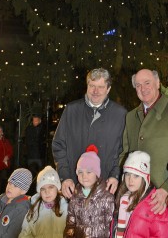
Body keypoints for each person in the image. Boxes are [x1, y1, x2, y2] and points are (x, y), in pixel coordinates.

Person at [121, 68, 168, 213]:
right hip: (137, 197)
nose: (143, 88)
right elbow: (125, 154)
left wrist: (167, 189)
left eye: (147, 83)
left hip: (166, 197)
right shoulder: (131, 117)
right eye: (138, 85)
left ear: (158, 83)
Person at [52, 68, 127, 199]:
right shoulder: (71, 110)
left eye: (100, 87)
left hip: (106, 189)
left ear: (108, 89)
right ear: (87, 86)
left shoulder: (120, 114)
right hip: (74, 189)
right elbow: (59, 145)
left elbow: (123, 150)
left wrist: (115, 176)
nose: (95, 91)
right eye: (92, 86)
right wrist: (65, 177)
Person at [111, 151, 168, 237]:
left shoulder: (155, 203)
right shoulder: (122, 199)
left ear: (145, 178)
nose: (130, 180)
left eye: (136, 176)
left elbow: (160, 234)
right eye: (128, 174)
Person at [63, 144, 115, 238]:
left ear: (96, 174)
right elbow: (71, 220)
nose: (84, 176)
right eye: (80, 172)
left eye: (89, 172)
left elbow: (111, 222)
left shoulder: (106, 196)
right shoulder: (75, 195)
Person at [19, 165, 68, 238]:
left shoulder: (65, 207)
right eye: (42, 189)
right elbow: (25, 232)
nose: (47, 192)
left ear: (57, 188)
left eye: (51, 187)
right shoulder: (34, 209)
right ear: (39, 191)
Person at [0, 168, 32, 238]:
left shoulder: (21, 208)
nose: (10, 187)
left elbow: (12, 234)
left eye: (15, 186)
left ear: (23, 191)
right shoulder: (1, 201)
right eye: (9, 183)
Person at [25, 114, 46, 182]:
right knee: (31, 173)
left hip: (40, 155)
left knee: (40, 173)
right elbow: (28, 141)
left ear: (39, 121)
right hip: (31, 155)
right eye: (34, 121)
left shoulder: (43, 128)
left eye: (36, 121)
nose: (35, 122)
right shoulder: (29, 129)